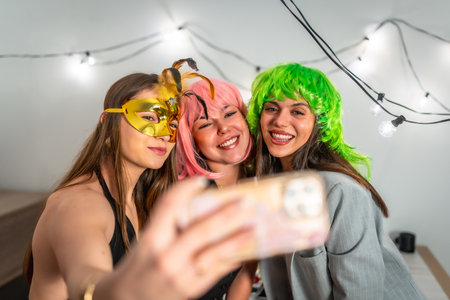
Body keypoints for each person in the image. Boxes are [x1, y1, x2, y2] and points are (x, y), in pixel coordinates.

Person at [25, 59, 256, 300]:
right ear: (108, 122)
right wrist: (119, 290)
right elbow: (86, 281)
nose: (165, 134)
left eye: (172, 124)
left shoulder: (143, 198)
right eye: (149, 118)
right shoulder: (80, 203)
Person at [246, 62, 426, 299]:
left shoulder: (340, 192)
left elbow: (359, 295)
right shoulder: (270, 189)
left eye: (298, 111)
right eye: (272, 108)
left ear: (319, 123)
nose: (280, 121)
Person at [177, 78, 257, 299]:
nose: (223, 128)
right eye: (204, 124)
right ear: (192, 140)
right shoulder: (183, 198)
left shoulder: (258, 186)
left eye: (229, 113)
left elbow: (246, 271)